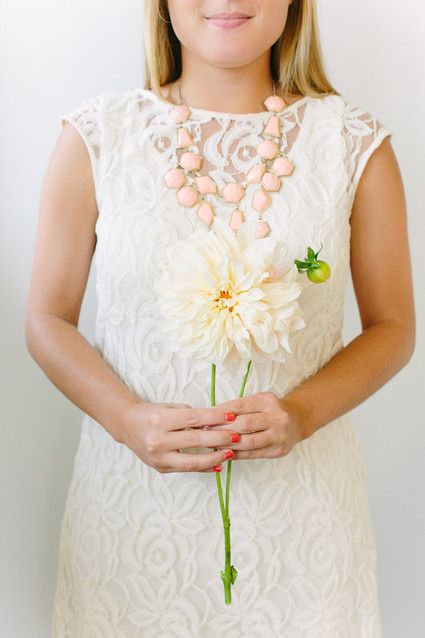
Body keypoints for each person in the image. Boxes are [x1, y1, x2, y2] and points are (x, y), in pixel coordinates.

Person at [26, 0, 415, 635]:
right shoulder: (98, 135)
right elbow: (46, 318)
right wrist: (125, 419)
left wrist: (301, 413)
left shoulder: (352, 142)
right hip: (131, 528)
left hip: (303, 532)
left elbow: (394, 327)